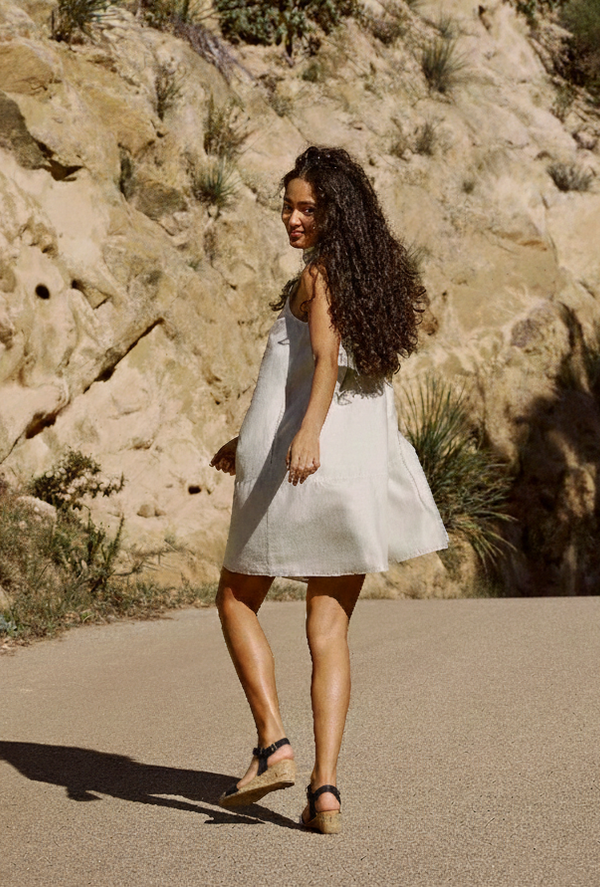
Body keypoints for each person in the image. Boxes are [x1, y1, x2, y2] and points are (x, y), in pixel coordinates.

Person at [210, 146, 447, 834]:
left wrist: (304, 434)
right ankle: (326, 790)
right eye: (287, 205)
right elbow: (326, 374)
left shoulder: (317, 279)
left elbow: (322, 362)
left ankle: (273, 741)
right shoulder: (368, 286)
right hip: (357, 467)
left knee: (234, 596)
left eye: (306, 207)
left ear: (335, 213)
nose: (291, 217)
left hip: (305, 460)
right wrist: (246, 436)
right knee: (329, 628)